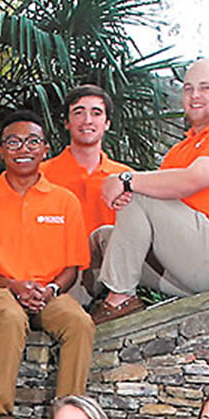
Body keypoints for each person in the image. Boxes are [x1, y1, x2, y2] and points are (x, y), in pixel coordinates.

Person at [88, 59, 209, 324]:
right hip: (186, 268)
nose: (195, 96)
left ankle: (118, 300)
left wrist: (126, 181)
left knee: (138, 190)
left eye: (205, 88)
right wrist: (129, 192)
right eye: (188, 89)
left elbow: (194, 179)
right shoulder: (180, 151)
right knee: (103, 238)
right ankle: (73, 308)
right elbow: (157, 198)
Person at [0, 111, 95, 419]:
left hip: (48, 290)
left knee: (80, 324)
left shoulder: (64, 201)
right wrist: (15, 287)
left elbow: (75, 266)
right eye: (13, 142)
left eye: (31, 142)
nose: (22, 149)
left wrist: (49, 289)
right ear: (1, 151)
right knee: (9, 320)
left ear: (45, 148)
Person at [40, 84, 133, 302]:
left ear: (107, 123)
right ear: (66, 122)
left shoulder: (125, 177)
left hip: (110, 278)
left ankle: (116, 302)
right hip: (59, 276)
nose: (87, 120)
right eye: (78, 112)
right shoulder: (41, 175)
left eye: (96, 113)